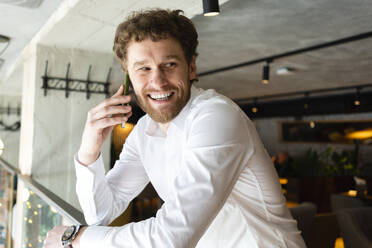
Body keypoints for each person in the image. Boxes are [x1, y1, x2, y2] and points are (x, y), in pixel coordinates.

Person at [44, 9, 306, 248]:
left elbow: (170, 238)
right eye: (143, 69)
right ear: (129, 79)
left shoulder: (216, 116)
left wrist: (76, 237)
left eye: (169, 65)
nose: (157, 81)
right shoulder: (144, 131)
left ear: (191, 67)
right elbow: (101, 212)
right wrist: (89, 150)